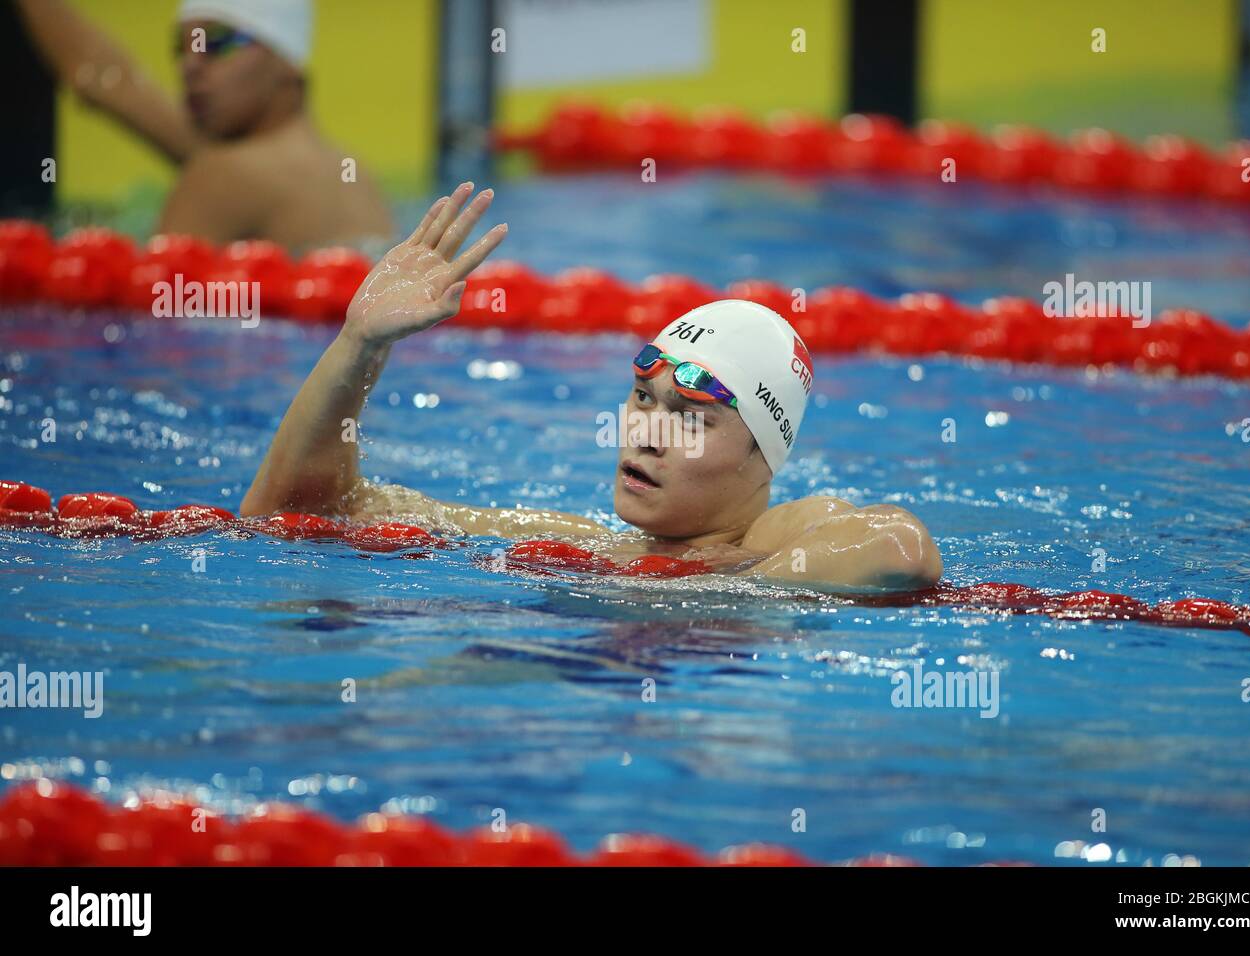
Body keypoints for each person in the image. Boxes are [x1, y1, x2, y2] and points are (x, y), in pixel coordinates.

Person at [241, 184, 943, 591]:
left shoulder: (769, 538)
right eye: (643, 399)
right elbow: (302, 512)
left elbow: (901, 549)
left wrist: (719, 586)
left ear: (765, 457)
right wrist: (358, 345)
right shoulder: (587, 549)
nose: (647, 431)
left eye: (692, 417)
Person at [14, 0, 393, 251]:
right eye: (181, 47)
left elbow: (156, 337)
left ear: (287, 60)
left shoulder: (222, 175)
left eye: (218, 42)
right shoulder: (355, 176)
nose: (190, 66)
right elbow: (103, 77)